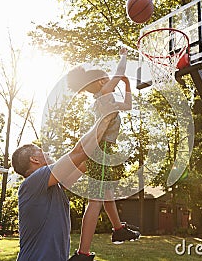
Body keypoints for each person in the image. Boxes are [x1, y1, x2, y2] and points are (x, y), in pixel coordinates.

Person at [12, 101, 119, 261]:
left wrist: (104, 142)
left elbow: (85, 163)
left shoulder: (53, 186)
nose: (47, 152)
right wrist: (105, 117)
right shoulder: (33, 182)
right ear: (34, 159)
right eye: (42, 151)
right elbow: (80, 151)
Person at [66, 48, 140, 261]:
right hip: (100, 151)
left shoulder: (106, 101)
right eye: (107, 80)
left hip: (103, 151)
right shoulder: (103, 94)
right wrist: (123, 56)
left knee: (106, 194)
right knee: (96, 200)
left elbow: (127, 105)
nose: (112, 82)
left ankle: (118, 230)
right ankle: (82, 253)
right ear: (100, 83)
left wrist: (126, 84)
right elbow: (118, 73)